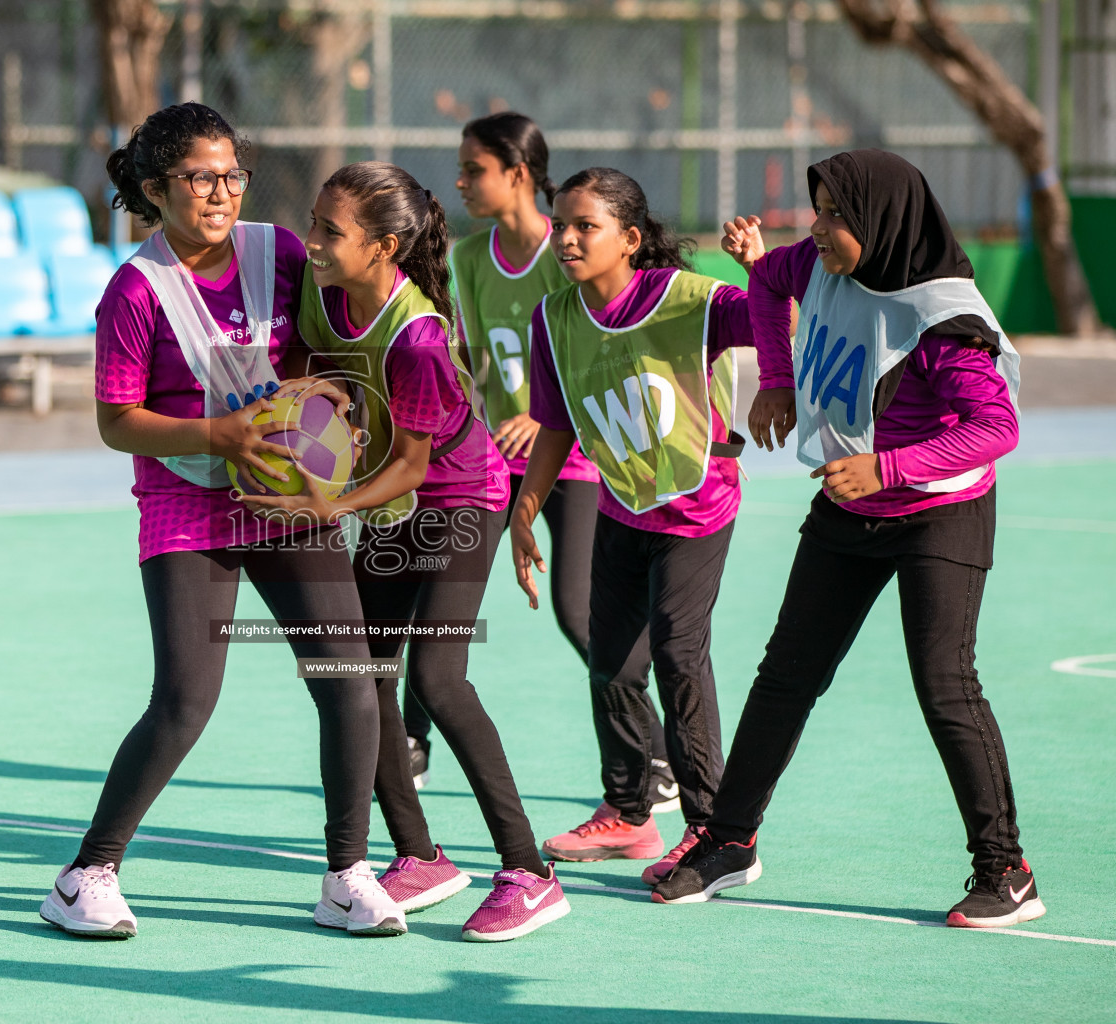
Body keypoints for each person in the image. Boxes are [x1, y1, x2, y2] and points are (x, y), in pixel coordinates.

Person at [651, 150, 1043, 931]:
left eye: (837, 215)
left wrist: (889, 465)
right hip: (850, 500)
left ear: (882, 221)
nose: (819, 229)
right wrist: (776, 379)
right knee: (786, 675)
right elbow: (766, 281)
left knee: (945, 685)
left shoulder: (945, 320)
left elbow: (996, 427)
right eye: (819, 209)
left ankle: (1007, 871)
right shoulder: (818, 264)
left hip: (938, 508)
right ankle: (729, 840)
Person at [39, 103, 402, 942]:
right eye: (201, 177)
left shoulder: (280, 250)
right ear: (159, 187)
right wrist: (219, 436)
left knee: (351, 682)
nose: (222, 191)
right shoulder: (134, 290)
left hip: (282, 493)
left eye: (232, 173)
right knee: (185, 701)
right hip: (186, 498)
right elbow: (116, 421)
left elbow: (319, 341)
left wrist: (328, 396)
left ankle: (348, 873)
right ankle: (85, 873)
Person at [241, 161, 570, 943]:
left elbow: (415, 464)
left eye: (330, 230)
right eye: (315, 222)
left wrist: (326, 501)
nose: (311, 241)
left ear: (384, 246)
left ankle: (529, 871)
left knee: (437, 676)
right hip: (391, 501)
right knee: (356, 670)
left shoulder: (418, 336)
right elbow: (304, 379)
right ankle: (418, 855)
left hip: (458, 497)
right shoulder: (322, 297)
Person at [512, 167, 755, 884]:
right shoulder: (554, 318)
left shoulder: (686, 300)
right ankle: (630, 813)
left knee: (680, 656)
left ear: (630, 238)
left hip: (697, 504)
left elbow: (783, 323)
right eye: (560, 224)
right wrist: (525, 512)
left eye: (585, 225)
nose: (566, 238)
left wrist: (759, 271)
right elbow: (554, 426)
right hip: (622, 503)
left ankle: (714, 830)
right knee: (611, 661)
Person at [442, 110, 679, 810]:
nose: (460, 182)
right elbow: (474, 358)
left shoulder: (573, 250)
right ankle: (411, 744)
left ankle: (656, 757)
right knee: (435, 597)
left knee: (579, 612)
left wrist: (539, 414)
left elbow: (603, 355)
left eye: (474, 169)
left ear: (518, 175)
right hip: (490, 461)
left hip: (568, 453)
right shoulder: (469, 258)